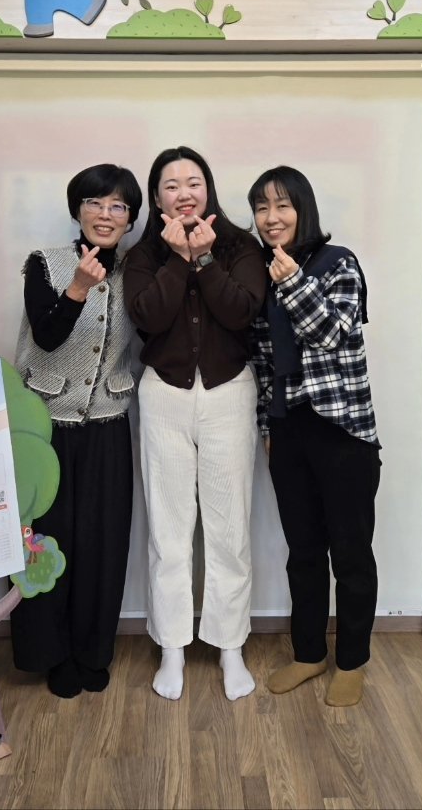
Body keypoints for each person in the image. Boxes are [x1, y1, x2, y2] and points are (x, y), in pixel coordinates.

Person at [123, 145, 266, 701]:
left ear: (208, 189)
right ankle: (172, 649)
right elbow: (148, 317)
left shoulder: (239, 246)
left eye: (193, 183)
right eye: (171, 186)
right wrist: (178, 258)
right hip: (165, 395)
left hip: (230, 392)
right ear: (157, 198)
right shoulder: (143, 255)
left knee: (229, 529)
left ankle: (231, 648)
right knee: (169, 529)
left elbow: (240, 311)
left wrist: (204, 260)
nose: (184, 194)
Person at [247, 166, 381, 708]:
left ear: (303, 209)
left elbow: (330, 333)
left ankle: (352, 661)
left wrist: (291, 283)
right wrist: (267, 428)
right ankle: (309, 653)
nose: (271, 217)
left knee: (351, 554)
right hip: (288, 433)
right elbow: (263, 363)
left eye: (282, 205)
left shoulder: (338, 263)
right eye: (261, 207)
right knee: (303, 552)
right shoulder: (260, 273)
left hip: (344, 431)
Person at [11, 163, 143, 698]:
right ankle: (51, 654)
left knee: (102, 543)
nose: (105, 215)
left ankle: (93, 651)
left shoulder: (139, 270)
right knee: (46, 542)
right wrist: (77, 290)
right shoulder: (45, 264)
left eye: (118, 206)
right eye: (94, 203)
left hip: (108, 423)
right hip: (46, 426)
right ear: (77, 210)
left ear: (131, 218)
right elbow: (45, 336)